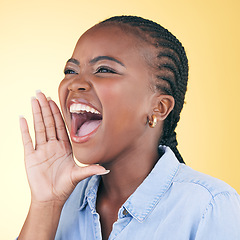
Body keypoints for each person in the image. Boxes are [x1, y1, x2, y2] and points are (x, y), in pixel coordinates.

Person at [18, 16, 240, 240]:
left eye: (104, 69)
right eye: (71, 71)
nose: (75, 83)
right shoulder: (62, 201)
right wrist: (46, 204)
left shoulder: (209, 206)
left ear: (159, 107)